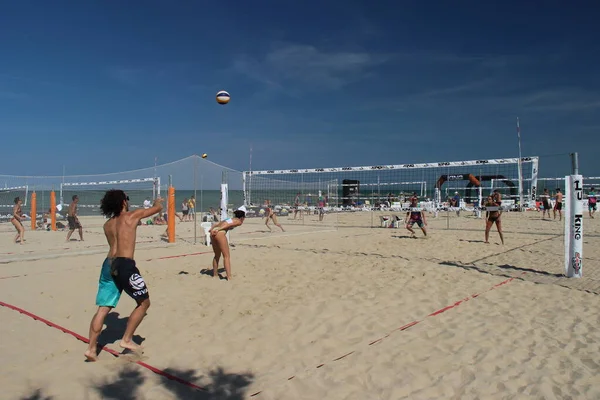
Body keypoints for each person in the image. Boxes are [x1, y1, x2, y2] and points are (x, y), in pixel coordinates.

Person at [85, 190, 163, 360]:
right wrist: (158, 202)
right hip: (124, 264)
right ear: (123, 202)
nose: (128, 201)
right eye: (127, 198)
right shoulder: (131, 216)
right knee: (144, 303)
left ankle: (91, 349)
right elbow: (157, 209)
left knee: (103, 309)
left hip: (108, 264)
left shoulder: (107, 225)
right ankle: (126, 340)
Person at [208, 206, 246, 280]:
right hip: (219, 232)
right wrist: (219, 229)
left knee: (217, 255)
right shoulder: (238, 221)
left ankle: (215, 275)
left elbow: (219, 223)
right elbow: (228, 225)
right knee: (226, 256)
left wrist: (212, 229)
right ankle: (229, 277)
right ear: (242, 216)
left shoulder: (230, 219)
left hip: (213, 233)